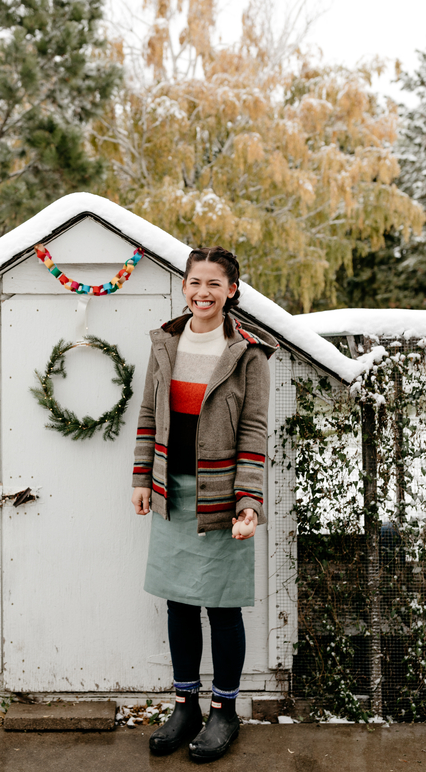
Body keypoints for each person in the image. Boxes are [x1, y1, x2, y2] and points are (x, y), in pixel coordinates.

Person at [131, 246, 278, 762]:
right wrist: (141, 477)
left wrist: (250, 500)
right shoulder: (164, 344)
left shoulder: (249, 354)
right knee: (178, 602)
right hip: (172, 490)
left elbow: (256, 431)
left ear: (232, 291)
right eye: (196, 282)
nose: (204, 292)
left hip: (223, 493)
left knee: (221, 606)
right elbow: (149, 413)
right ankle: (185, 704)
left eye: (215, 283)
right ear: (185, 286)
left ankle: (225, 711)